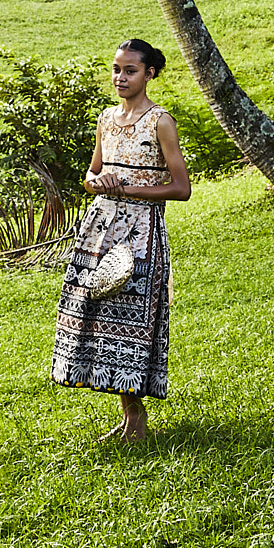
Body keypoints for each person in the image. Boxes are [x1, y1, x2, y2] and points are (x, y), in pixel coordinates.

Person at [51, 38, 191, 442]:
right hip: (98, 230)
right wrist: (101, 182)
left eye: (130, 70)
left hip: (140, 233)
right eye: (116, 69)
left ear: (149, 74)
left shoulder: (160, 121)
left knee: (131, 320)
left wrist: (126, 190)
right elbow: (90, 175)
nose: (120, 77)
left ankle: (138, 418)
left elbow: (181, 188)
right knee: (100, 319)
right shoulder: (106, 119)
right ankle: (131, 417)